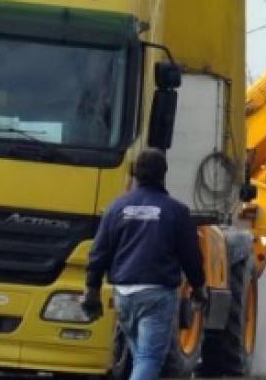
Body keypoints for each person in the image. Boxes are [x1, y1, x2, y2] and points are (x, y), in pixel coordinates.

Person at [83, 149, 206, 380]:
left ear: (135, 174)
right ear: (164, 174)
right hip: (157, 295)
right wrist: (199, 287)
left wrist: (92, 289)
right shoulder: (176, 212)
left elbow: (99, 252)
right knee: (149, 359)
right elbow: (191, 256)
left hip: (124, 295)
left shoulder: (116, 208)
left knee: (141, 358)